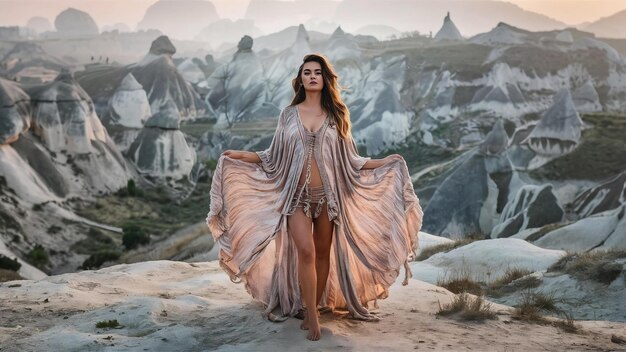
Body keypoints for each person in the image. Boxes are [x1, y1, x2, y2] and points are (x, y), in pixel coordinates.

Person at [206, 53, 422, 341]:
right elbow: (273, 156)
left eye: (317, 72)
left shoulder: (337, 115)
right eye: (307, 72)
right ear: (301, 79)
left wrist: (386, 162)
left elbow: (351, 160)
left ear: (324, 78)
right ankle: (310, 312)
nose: (312, 76)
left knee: (322, 255)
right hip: (296, 198)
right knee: (306, 252)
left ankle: (313, 311)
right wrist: (239, 156)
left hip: (328, 199)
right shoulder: (288, 114)